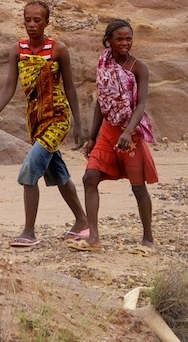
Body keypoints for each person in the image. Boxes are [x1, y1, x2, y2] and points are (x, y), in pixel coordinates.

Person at [0, 0, 89, 248]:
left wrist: (79, 125)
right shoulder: (17, 49)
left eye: (37, 20)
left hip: (57, 118)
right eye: (27, 20)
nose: (31, 25)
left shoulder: (58, 49)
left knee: (30, 168)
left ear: (46, 22)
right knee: (58, 172)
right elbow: (10, 85)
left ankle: (29, 232)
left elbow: (71, 88)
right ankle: (82, 221)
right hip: (35, 120)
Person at [68, 18, 158, 254]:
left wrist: (129, 131)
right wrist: (93, 135)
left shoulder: (139, 67)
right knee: (90, 177)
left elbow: (141, 104)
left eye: (129, 38)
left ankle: (148, 239)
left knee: (138, 187)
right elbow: (102, 100)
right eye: (119, 39)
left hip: (131, 133)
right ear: (108, 41)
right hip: (108, 129)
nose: (125, 43)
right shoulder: (104, 63)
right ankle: (94, 237)